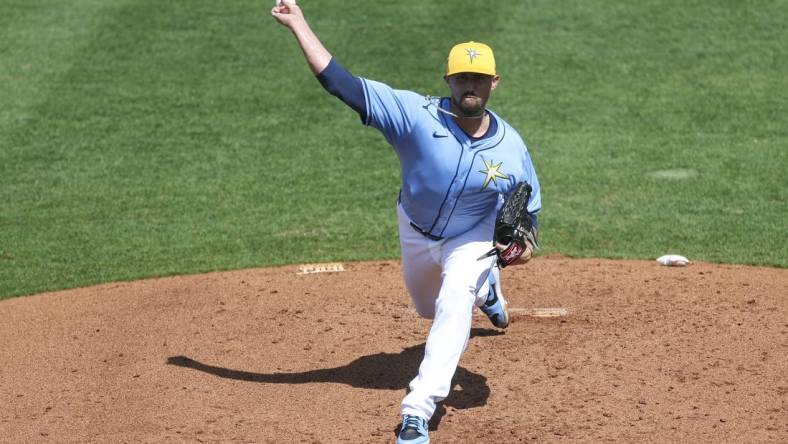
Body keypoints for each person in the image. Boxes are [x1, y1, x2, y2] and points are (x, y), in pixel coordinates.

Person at [271, 2, 541, 443]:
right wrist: (299, 24)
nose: (469, 86)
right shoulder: (414, 115)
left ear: (494, 82)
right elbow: (342, 83)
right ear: (448, 81)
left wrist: (521, 249)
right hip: (415, 230)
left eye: (478, 79)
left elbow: (528, 217)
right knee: (427, 308)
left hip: (471, 238)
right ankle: (487, 287)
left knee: (455, 301)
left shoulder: (512, 149)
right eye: (462, 78)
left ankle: (416, 412)